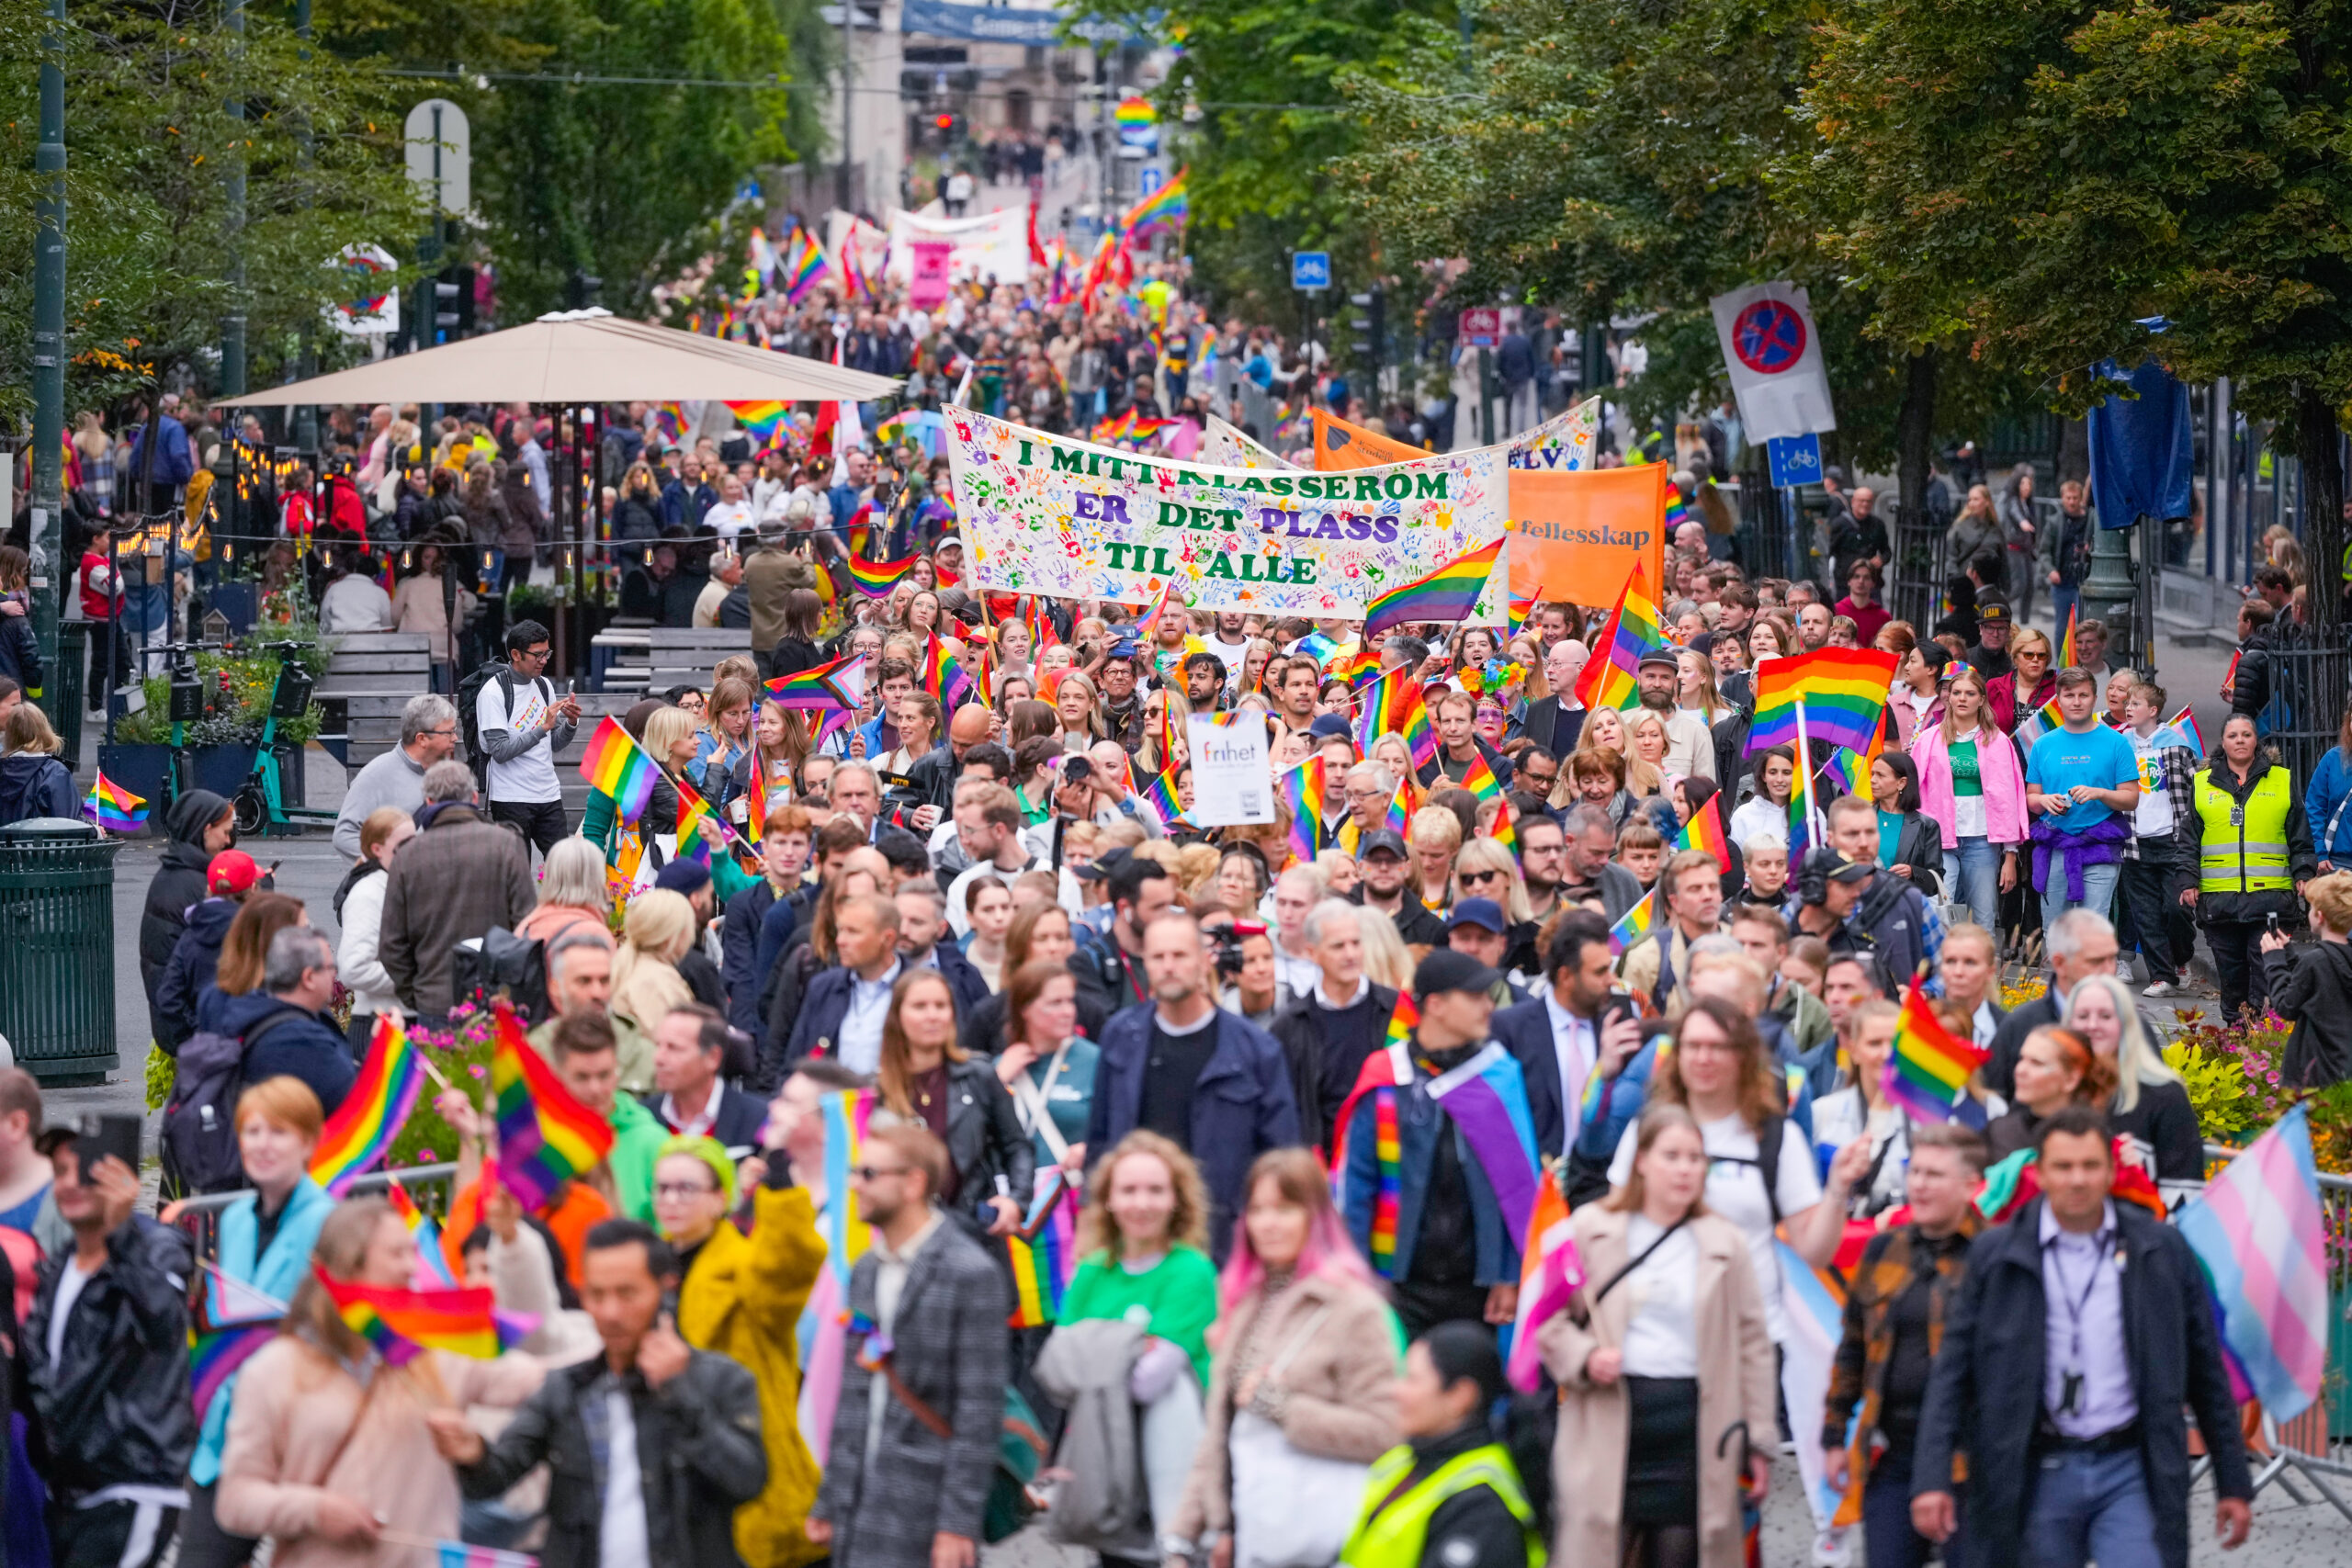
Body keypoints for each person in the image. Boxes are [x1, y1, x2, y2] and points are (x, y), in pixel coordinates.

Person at [1909, 1108, 2253, 1568]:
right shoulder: (1998, 1255)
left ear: (2111, 1172)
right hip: (2037, 1466)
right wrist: (1932, 1476)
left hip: (2132, 1465)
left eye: (2090, 1166)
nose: (2077, 1179)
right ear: (2040, 1173)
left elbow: (2206, 1369)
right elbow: (1953, 1371)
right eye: (2064, 1166)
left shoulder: (2159, 1251)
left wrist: (2232, 1481)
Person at [431, 1217, 767, 1568]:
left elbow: (747, 1481)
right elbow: (497, 1475)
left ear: (665, 1289)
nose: (610, 1312)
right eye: (596, 1294)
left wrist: (678, 1392)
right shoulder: (568, 1387)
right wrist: (472, 1452)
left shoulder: (720, 1379)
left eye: (627, 1293)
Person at [1536, 1103, 1777, 1568]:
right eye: (1672, 1156)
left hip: (1695, 1435)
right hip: (1610, 1425)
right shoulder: (1592, 1229)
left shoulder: (1724, 1241)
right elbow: (1548, 1322)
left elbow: (1753, 1345)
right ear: (1642, 1161)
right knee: (1603, 1551)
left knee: (1682, 1554)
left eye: (1695, 1157)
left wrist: (1759, 1439)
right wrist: (1585, 1358)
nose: (1685, 1169)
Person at [1163, 1147, 1401, 1568]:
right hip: (1249, 1535)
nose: (1268, 1224)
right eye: (1257, 1209)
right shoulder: (1246, 1299)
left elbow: (1386, 1433)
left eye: (1285, 1208)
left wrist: (1286, 1409)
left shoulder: (1355, 1308)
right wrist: (1184, 1536)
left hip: (1323, 1537)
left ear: (1316, 1216)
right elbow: (1219, 1434)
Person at [1592, 1000, 1860, 1343]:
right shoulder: (1646, 1130)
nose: (1703, 1058)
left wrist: (1838, 1189)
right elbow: (1614, 1229)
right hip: (1658, 1344)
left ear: (1743, 1057)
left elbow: (1814, 1250)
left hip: (1750, 1342)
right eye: (1693, 1046)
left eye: (1717, 1047)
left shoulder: (1777, 1138)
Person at [806, 1124, 1010, 1568]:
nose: (855, 1183)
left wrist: (956, 1523)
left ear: (915, 1183)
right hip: (859, 1501)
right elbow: (853, 1397)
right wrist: (829, 1499)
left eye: (870, 1173)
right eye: (856, 1171)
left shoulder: (970, 1273)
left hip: (926, 1504)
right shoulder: (865, 1270)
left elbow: (979, 1412)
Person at [172, 1078, 337, 1568]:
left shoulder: (330, 1223)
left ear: (308, 1142)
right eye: (252, 1131)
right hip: (230, 1434)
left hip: (301, 1434)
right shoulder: (238, 1218)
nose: (262, 1144)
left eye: (279, 1132)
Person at [22, 1116, 198, 1568]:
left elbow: (163, 1323)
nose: (70, 1184)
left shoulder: (156, 1247)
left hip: (131, 1483)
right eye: (59, 1172)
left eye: (86, 1170)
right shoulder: (59, 1266)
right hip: (67, 1489)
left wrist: (121, 1232)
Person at [1337, 947, 1540, 1337]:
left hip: (1477, 1287)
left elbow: (1517, 1186)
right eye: (1475, 997)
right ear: (1437, 1005)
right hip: (1396, 1282)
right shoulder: (1386, 1077)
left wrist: (1508, 1276)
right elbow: (1357, 1186)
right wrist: (1358, 1277)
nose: (1487, 1007)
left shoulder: (1498, 1075)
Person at [647, 1134, 828, 1568]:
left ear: (719, 1198)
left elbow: (786, 1271)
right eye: (663, 1187)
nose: (672, 1199)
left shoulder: (745, 1266)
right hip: (676, 1476)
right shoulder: (650, 1270)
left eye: (686, 1188)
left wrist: (782, 1200)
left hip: (753, 1469)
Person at [1086, 909, 1302, 1258]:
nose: (1169, 966)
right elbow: (1100, 1139)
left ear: (1205, 961)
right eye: (1158, 956)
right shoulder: (1121, 1036)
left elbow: (1280, 1155)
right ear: (1147, 964)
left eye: (1180, 955)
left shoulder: (1255, 1051)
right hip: (1136, 1233)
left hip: (1223, 1240)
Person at [1050, 1131, 1223, 1560]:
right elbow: (1056, 1370)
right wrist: (1134, 1343)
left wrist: (1096, 1346)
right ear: (1108, 1199)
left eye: (1155, 1190)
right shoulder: (1092, 1272)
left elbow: (1149, 1382)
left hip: (1173, 1466)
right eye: (1128, 1190)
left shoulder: (1191, 1272)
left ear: (1176, 1199)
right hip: (1105, 1463)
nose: (1141, 1203)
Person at [1822, 1125, 1987, 1568]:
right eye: (1914, 1172)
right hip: (1893, 1453)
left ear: (1970, 1184)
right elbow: (1852, 1349)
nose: (1919, 1184)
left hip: (1973, 1463)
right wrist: (1834, 1435)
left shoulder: (1993, 1257)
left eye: (1934, 1174)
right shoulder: (1882, 1250)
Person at [1341, 1323, 1546, 1568]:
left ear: (1461, 1396)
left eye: (1412, 1380)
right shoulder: (1403, 1460)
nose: (1396, 1391)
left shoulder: (1482, 1509)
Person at [875, 968, 1033, 1243]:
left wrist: (1016, 1201)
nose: (932, 1015)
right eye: (920, 1006)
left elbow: (1017, 1146)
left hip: (973, 1232)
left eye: (941, 1005)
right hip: (903, 1235)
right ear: (897, 1017)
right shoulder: (877, 1091)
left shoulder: (978, 1075)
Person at [379, 760, 535, 1018]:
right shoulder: (507, 844)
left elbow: (391, 944)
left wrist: (417, 994)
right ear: (474, 797)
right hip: (497, 1001)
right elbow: (526, 927)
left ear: (428, 802)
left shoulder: (407, 856)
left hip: (434, 1002)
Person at [2186, 711, 2315, 1021]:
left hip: (2271, 900)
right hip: (2220, 902)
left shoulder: (2282, 779)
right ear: (2223, 742)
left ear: (2256, 740)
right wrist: (2187, 879)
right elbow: (2189, 840)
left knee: (2266, 976)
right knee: (2232, 981)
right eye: (2233, 735)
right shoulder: (2202, 783)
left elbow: (2300, 834)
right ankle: (2236, 1041)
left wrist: (2304, 873)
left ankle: (2262, 1043)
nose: (2240, 740)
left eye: (2246, 734)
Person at [1268, 899, 1400, 1153]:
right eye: (1338, 946)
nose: (1350, 955)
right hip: (1318, 1166)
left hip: (1388, 1157)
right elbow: (1283, 1106)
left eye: (1356, 943)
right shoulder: (1290, 1025)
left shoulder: (1395, 1010)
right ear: (1312, 953)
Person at [1913, 667, 2025, 931]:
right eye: (1957, 692)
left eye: (1970, 693)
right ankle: (1940, 969)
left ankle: (1985, 971)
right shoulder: (1928, 740)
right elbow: (1913, 793)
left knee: (1984, 916)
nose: (1962, 698)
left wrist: (2010, 854)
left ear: (1981, 699)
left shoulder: (1999, 742)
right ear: (1948, 697)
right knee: (1940, 910)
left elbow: (2009, 800)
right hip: (1939, 840)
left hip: (1983, 840)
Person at [2060, 975, 2201, 1181]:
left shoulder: (2165, 1096)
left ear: (2126, 1024)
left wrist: (2135, 1179)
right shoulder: (2052, 1086)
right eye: (2082, 1016)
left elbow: (2183, 1192)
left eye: (2106, 1016)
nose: (2092, 1025)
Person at [213, 928, 360, 1115]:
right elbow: (354, 1097)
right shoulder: (299, 1038)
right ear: (308, 978)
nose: (334, 975)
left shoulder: (257, 1010)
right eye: (330, 968)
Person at [1984, 908, 2118, 1099]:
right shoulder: (2020, 1026)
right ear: (2061, 964)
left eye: (2112, 958)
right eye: (2096, 961)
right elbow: (1994, 1104)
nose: (2109, 971)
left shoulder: (2129, 1024)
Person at [1808, 999, 1917, 1213]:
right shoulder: (1822, 1112)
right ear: (1854, 1051)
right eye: (1875, 1043)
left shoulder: (1927, 1117)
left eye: (1895, 1043)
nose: (1886, 1054)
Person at [994, 957, 1100, 1173]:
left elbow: (1120, 1130)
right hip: (1015, 1196)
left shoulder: (1095, 1061)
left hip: (1074, 1193)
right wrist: (997, 1081)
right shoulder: (1000, 1067)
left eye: (1070, 1001)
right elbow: (973, 1136)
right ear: (1025, 1009)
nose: (1068, 1011)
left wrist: (1093, 1149)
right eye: (1055, 1003)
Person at [331, 694, 458, 860]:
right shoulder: (376, 775)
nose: (455, 738)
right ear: (422, 739)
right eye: (449, 733)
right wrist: (390, 865)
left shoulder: (444, 772)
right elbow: (344, 836)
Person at [333, 807, 413, 1055]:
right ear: (377, 849)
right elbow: (354, 969)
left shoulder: (396, 885)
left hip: (397, 1020)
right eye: (404, 845)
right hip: (379, 1025)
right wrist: (419, 978)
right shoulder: (368, 893)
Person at [1619, 850, 1726, 1014]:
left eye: (1713, 887)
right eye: (1695, 889)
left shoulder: (1745, 945)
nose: (1707, 896)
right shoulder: (1646, 960)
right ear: (1674, 902)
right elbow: (1632, 1027)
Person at [1984, 1025, 2109, 1165]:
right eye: (2022, 1059)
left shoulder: (2095, 1137)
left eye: (2036, 1063)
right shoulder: (2000, 1132)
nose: (2020, 1070)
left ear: (2071, 1079)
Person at [646, 1003, 766, 1146]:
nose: (659, 1058)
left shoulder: (758, 1120)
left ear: (712, 1058)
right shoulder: (644, 1117)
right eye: (658, 1045)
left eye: (674, 1048)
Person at [1870, 752, 1944, 897]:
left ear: (1901, 782)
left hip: (1902, 906)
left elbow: (1936, 881)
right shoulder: (1859, 818)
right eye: (1872, 774)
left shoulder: (1927, 826)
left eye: (1880, 775)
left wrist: (1913, 872)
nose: (1872, 780)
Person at [0, 702, 75, 824]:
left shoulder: (3, 769)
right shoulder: (55, 772)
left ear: (9, 734)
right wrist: (95, 831)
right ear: (44, 730)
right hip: (42, 843)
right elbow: (69, 824)